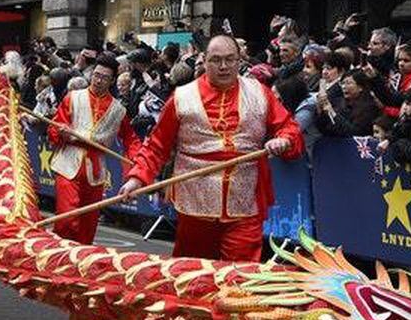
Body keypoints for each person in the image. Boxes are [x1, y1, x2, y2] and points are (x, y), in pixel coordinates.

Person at [119, 35, 304, 262]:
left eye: (230, 59)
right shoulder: (182, 97)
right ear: (204, 61)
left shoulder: (260, 93)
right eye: (216, 60)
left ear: (239, 61)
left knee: (241, 275)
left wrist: (284, 139)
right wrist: (137, 178)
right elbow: (157, 145)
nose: (224, 66)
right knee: (194, 272)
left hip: (245, 200)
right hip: (195, 201)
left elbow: (289, 127)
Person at [48, 54, 141, 245]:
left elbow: (131, 140)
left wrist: (137, 167)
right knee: (66, 219)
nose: (98, 80)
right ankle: (59, 260)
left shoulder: (118, 110)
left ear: (112, 80)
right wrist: (61, 133)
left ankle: (80, 267)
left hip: (96, 171)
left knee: (88, 225)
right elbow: (53, 128)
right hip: (68, 164)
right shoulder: (73, 98)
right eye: (96, 75)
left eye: (104, 77)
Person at [316, 68, 382, 137]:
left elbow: (353, 132)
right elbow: (323, 128)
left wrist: (333, 113)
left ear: (360, 87)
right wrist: (320, 111)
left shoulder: (369, 108)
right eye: (342, 83)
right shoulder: (338, 102)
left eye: (348, 83)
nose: (344, 87)